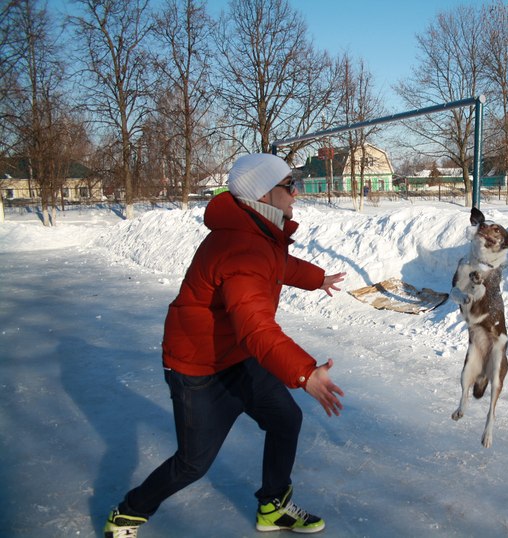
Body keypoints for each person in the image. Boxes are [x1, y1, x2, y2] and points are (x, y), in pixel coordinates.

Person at [104, 153, 346, 537]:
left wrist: (317, 279)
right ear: (264, 194)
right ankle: (128, 513)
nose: (296, 193)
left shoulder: (255, 232)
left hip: (236, 355)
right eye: (289, 186)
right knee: (193, 463)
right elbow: (256, 328)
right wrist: (304, 373)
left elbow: (276, 265)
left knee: (285, 418)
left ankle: (273, 505)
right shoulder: (242, 247)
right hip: (199, 367)